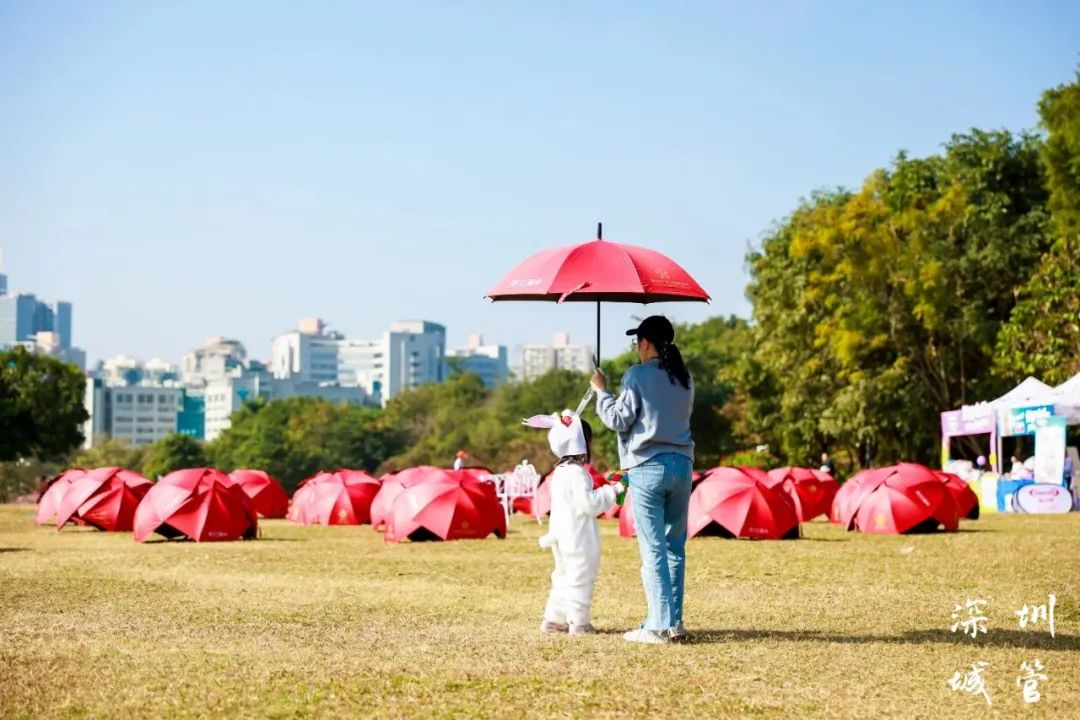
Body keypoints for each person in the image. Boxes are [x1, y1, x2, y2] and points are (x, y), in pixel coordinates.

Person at [591, 315, 694, 645]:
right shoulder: (685, 376)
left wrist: (601, 392)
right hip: (682, 465)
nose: (636, 348)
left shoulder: (636, 375)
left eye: (637, 343)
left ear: (645, 343)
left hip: (648, 467)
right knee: (674, 547)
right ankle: (673, 622)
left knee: (653, 551)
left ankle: (657, 627)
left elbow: (619, 420)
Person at [526, 412, 623, 635]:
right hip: (578, 537)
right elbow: (589, 504)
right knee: (580, 577)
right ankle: (579, 623)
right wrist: (613, 491)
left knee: (562, 576)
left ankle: (554, 619)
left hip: (560, 535)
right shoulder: (578, 474)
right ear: (583, 443)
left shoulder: (559, 472)